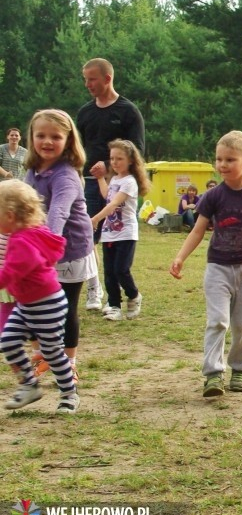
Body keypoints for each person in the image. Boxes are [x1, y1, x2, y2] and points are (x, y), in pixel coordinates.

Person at [169, 131, 242, 398]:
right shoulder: (213, 196)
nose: (223, 165)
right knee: (218, 321)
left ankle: (240, 368)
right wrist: (180, 257)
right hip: (218, 268)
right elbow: (197, 231)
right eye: (219, 159)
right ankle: (213, 374)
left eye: (230, 159)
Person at [23, 110, 94, 383]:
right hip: (39, 251)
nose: (47, 141)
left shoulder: (65, 175)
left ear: (68, 140)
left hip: (69, 252)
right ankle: (46, 356)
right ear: (32, 137)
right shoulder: (32, 170)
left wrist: (44, 250)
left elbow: (58, 214)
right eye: (41, 135)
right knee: (31, 306)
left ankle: (69, 363)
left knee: (66, 309)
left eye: (56, 136)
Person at [0, 180, 79, 413]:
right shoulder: (26, 234)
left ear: (11, 216)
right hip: (27, 304)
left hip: (47, 304)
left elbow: (11, 272)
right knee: (8, 342)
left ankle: (69, 394)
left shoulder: (23, 242)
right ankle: (29, 385)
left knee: (52, 352)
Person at [76, 58, 145, 313]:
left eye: (92, 79)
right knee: (87, 237)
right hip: (91, 184)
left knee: (116, 240)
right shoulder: (84, 113)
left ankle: (126, 293)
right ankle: (96, 289)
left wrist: (108, 165)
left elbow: (137, 150)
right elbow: (79, 148)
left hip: (120, 186)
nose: (87, 84)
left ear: (107, 79)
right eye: (85, 79)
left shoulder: (128, 111)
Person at [90, 139, 149, 322]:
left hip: (126, 233)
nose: (114, 162)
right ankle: (114, 305)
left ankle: (134, 295)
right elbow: (108, 195)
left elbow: (115, 203)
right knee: (109, 272)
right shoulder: (115, 179)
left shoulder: (130, 182)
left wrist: (96, 219)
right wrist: (101, 178)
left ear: (130, 160)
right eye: (112, 159)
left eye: (119, 159)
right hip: (110, 233)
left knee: (121, 270)